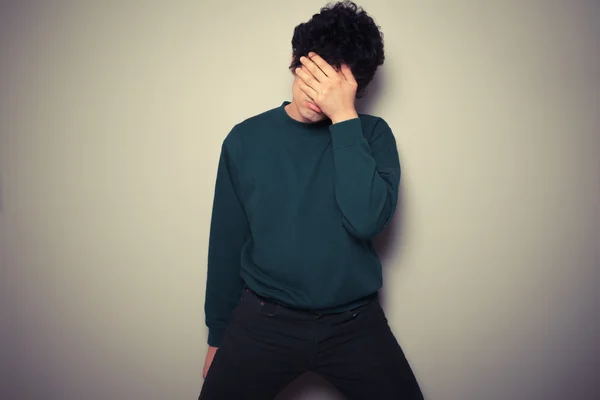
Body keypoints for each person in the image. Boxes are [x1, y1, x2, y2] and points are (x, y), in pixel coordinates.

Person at [199, 1, 423, 399]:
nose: (320, 96)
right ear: (295, 61)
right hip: (263, 321)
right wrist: (218, 335)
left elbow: (366, 220)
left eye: (336, 87)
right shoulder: (245, 140)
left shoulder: (371, 136)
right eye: (314, 76)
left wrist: (344, 120)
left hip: (355, 324)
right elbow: (226, 241)